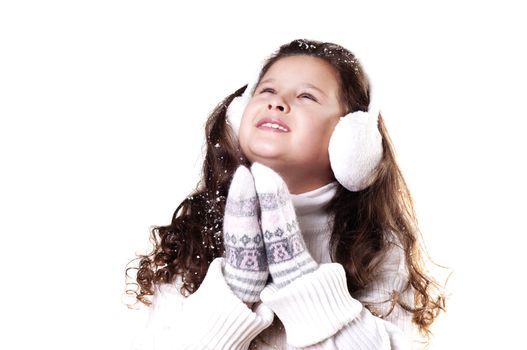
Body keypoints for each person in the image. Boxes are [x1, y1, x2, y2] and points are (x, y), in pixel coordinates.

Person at [125, 38, 445, 349]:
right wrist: (236, 290)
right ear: (239, 118)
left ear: (351, 140)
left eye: (307, 96)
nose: (277, 103)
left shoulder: (375, 245)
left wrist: (297, 277)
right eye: (267, 90)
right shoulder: (196, 230)